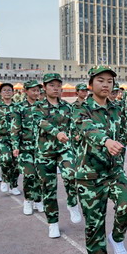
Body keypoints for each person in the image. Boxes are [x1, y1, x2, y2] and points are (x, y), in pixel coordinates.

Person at [72, 66, 127, 254]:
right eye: (101, 80)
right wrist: (106, 142)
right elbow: (88, 129)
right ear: (91, 84)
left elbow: (124, 132)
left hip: (113, 171)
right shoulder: (80, 109)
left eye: (109, 81)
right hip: (89, 175)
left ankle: (117, 236)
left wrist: (118, 144)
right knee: (94, 225)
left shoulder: (117, 109)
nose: (106, 84)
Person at [34, 73, 81, 238]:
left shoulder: (67, 107)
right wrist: (57, 132)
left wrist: (76, 135)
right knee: (48, 188)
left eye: (58, 85)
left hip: (64, 149)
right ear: (45, 87)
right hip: (44, 153)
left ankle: (72, 203)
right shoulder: (37, 106)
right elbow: (42, 123)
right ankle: (53, 223)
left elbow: (73, 125)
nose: (56, 88)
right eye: (52, 85)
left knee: (72, 175)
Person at [11, 80, 45, 215]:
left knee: (39, 176)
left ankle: (38, 200)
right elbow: (15, 128)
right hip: (25, 147)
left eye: (37, 90)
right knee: (29, 174)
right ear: (26, 91)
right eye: (33, 90)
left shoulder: (42, 106)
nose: (36, 92)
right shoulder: (19, 107)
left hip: (41, 147)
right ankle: (28, 200)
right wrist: (15, 146)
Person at [0, 83, 22, 195]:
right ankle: (5, 179)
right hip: (1, 138)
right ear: (0, 93)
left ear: (13, 92)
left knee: (16, 163)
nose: (7, 92)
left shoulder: (18, 107)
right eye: (4, 90)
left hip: (16, 139)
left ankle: (13, 185)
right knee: (6, 160)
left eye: (9, 90)